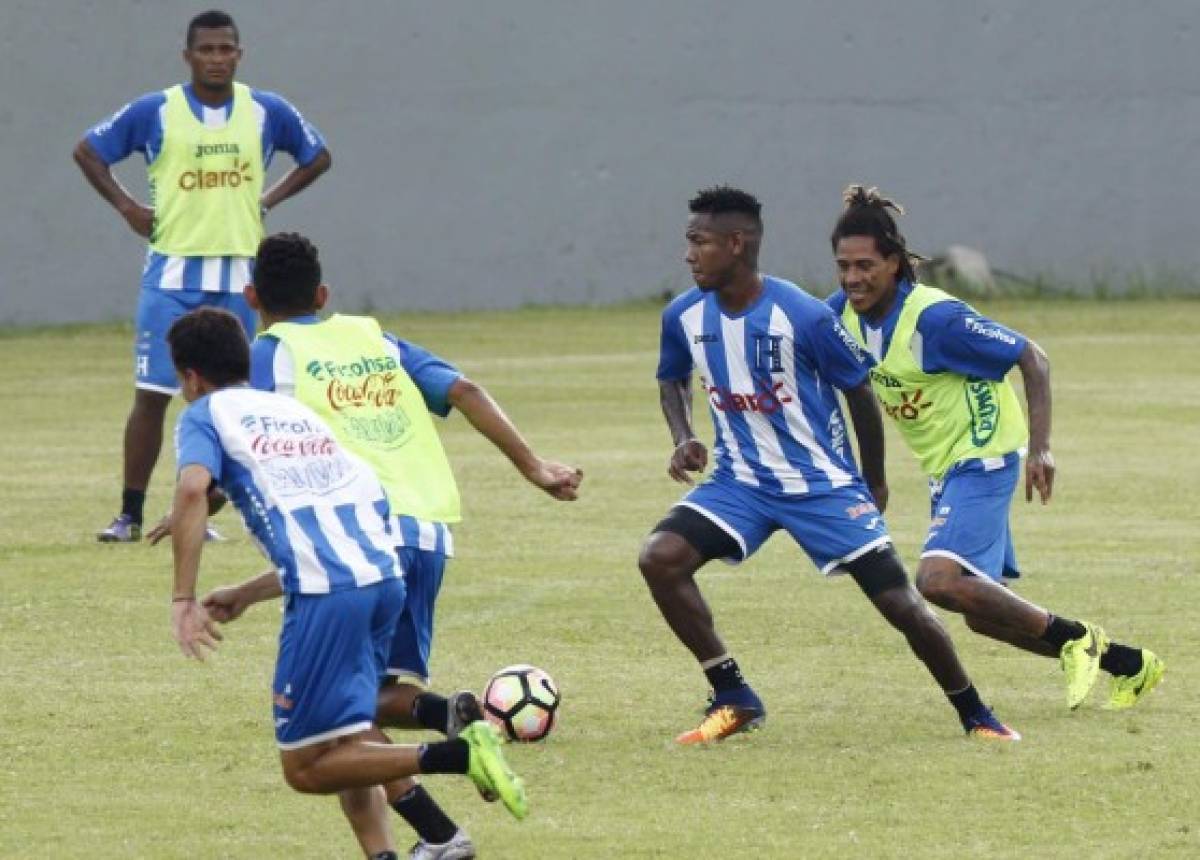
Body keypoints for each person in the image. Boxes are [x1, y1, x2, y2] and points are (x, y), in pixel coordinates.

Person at [637, 185, 1018, 745]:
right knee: (660, 558)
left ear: (736, 245)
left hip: (822, 485)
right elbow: (671, 376)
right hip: (739, 483)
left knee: (901, 605)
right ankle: (734, 694)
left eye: (699, 242)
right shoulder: (684, 314)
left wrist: (874, 479)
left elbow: (858, 390)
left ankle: (975, 712)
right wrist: (684, 434)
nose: (688, 254)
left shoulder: (804, 316)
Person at [242, 232, 582, 857]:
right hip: (426, 533)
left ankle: (447, 767)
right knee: (364, 701)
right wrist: (534, 467)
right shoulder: (374, 339)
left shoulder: (272, 351)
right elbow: (466, 391)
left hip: (357, 536)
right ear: (323, 295)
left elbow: (256, 430)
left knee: (336, 721)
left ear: (250, 296)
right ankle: (439, 796)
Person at [164, 307, 527, 860]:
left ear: (190, 377)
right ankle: (425, 843)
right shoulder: (296, 416)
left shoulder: (206, 414)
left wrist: (183, 599)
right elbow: (340, 524)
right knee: (347, 735)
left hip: (330, 597)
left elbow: (193, 491)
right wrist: (246, 593)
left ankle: (455, 754)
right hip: (382, 577)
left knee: (307, 766)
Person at [827, 184, 1164, 711]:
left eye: (865, 265)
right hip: (945, 468)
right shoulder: (842, 317)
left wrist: (1042, 450)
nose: (852, 278)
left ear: (894, 262)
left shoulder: (934, 319)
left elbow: (1033, 357)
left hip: (983, 455)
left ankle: (1077, 636)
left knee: (937, 580)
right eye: (843, 266)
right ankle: (1130, 664)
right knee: (984, 615)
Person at [74, 10, 331, 543]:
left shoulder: (266, 111)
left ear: (240, 54)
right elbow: (88, 150)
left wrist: (268, 199)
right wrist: (127, 208)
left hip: (239, 276)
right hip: (170, 274)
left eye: (226, 49)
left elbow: (318, 156)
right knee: (152, 393)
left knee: (231, 401)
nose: (217, 58)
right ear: (187, 56)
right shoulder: (156, 111)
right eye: (207, 50)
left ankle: (202, 512)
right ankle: (129, 514)